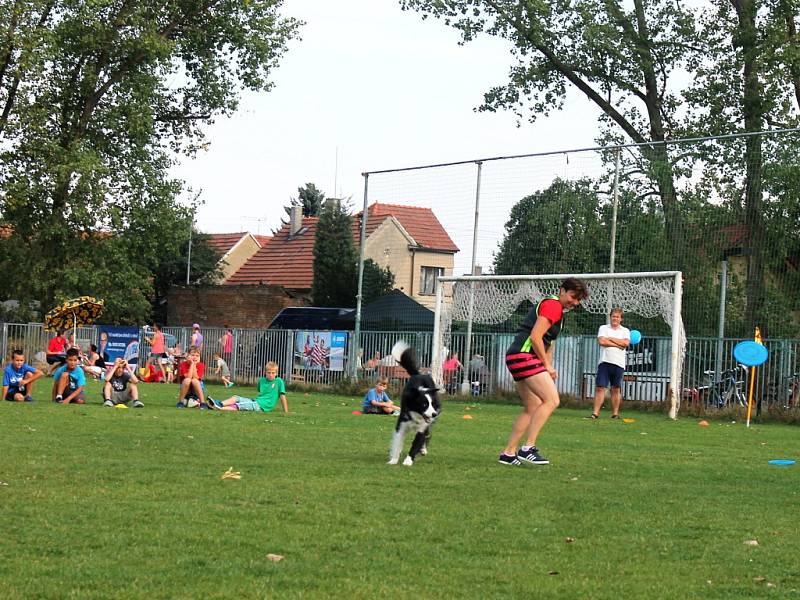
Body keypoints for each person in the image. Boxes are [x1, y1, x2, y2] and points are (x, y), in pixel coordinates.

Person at [499, 277, 588, 466]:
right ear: (562, 290)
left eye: (578, 300)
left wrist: (549, 366)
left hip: (517, 356)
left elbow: (547, 343)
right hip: (524, 355)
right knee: (552, 400)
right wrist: (546, 365)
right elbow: (536, 336)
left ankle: (508, 453)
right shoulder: (553, 306)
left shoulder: (557, 310)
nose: (575, 302)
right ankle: (527, 448)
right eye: (573, 296)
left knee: (532, 406)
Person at [588, 308, 631, 419]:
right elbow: (602, 341)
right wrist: (618, 344)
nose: (615, 318)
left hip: (619, 363)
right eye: (613, 316)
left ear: (621, 319)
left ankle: (615, 414)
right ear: (610, 317)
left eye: (617, 316)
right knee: (600, 387)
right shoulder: (603, 328)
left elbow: (625, 343)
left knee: (615, 388)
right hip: (604, 362)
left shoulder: (625, 331)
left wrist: (611, 338)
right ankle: (595, 413)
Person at [208, 361, 288, 413]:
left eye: (273, 373)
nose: (270, 375)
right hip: (257, 401)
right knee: (236, 397)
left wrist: (286, 411)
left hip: (262, 406)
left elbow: (282, 397)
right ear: (265, 372)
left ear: (276, 373)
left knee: (240, 405)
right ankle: (219, 404)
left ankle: (220, 408)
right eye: (269, 372)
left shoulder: (279, 382)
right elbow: (260, 391)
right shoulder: (262, 380)